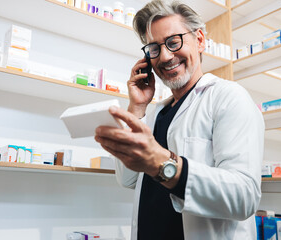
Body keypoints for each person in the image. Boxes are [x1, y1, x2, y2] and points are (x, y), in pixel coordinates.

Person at [94, 0, 265, 239]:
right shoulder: (155, 114)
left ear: (200, 40)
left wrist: (163, 164)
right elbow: (127, 179)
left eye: (174, 42)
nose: (164, 56)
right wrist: (137, 107)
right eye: (154, 48)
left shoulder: (229, 97)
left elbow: (244, 198)